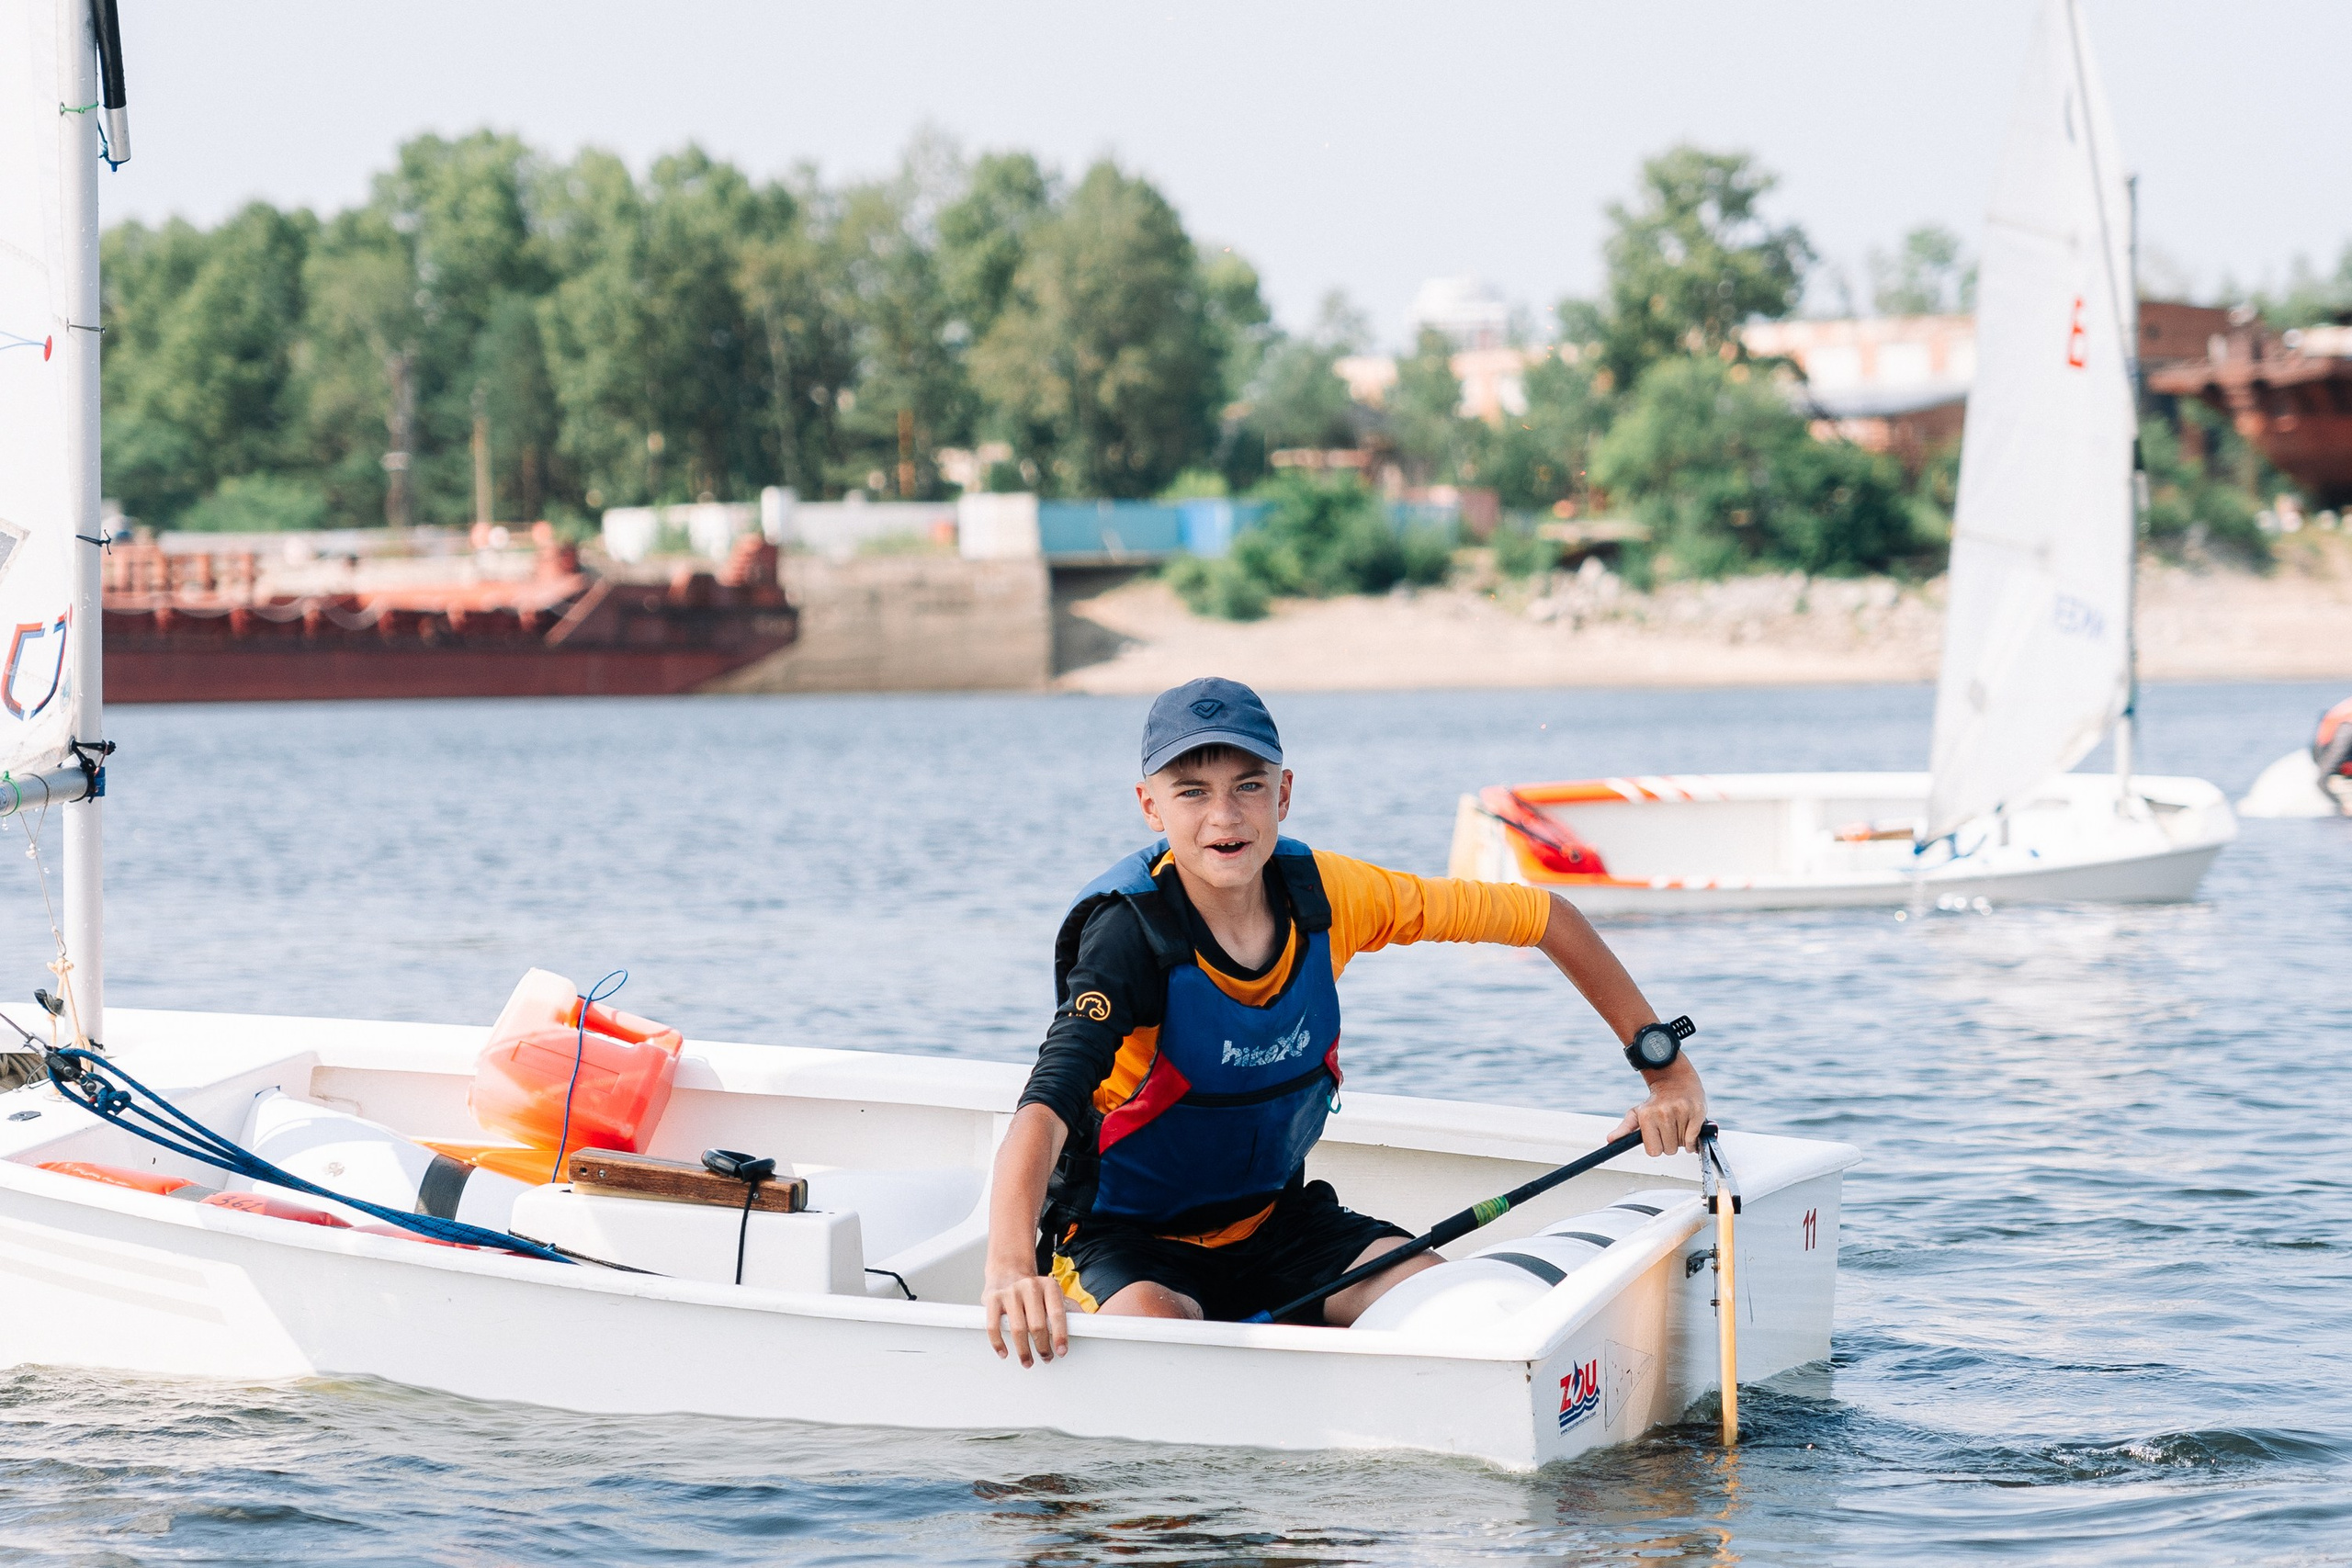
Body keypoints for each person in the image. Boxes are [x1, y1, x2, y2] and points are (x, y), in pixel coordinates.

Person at [981, 678, 1709, 1366]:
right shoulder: (1129, 935)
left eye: (1248, 787)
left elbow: (1547, 917)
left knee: (1462, 1311)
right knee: (1160, 1340)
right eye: (1192, 792)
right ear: (1150, 806)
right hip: (1125, 1242)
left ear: (1284, 793)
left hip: (1281, 1225)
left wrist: (1666, 1070)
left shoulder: (1332, 895)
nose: (1224, 816)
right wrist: (1012, 1267)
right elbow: (1045, 1104)